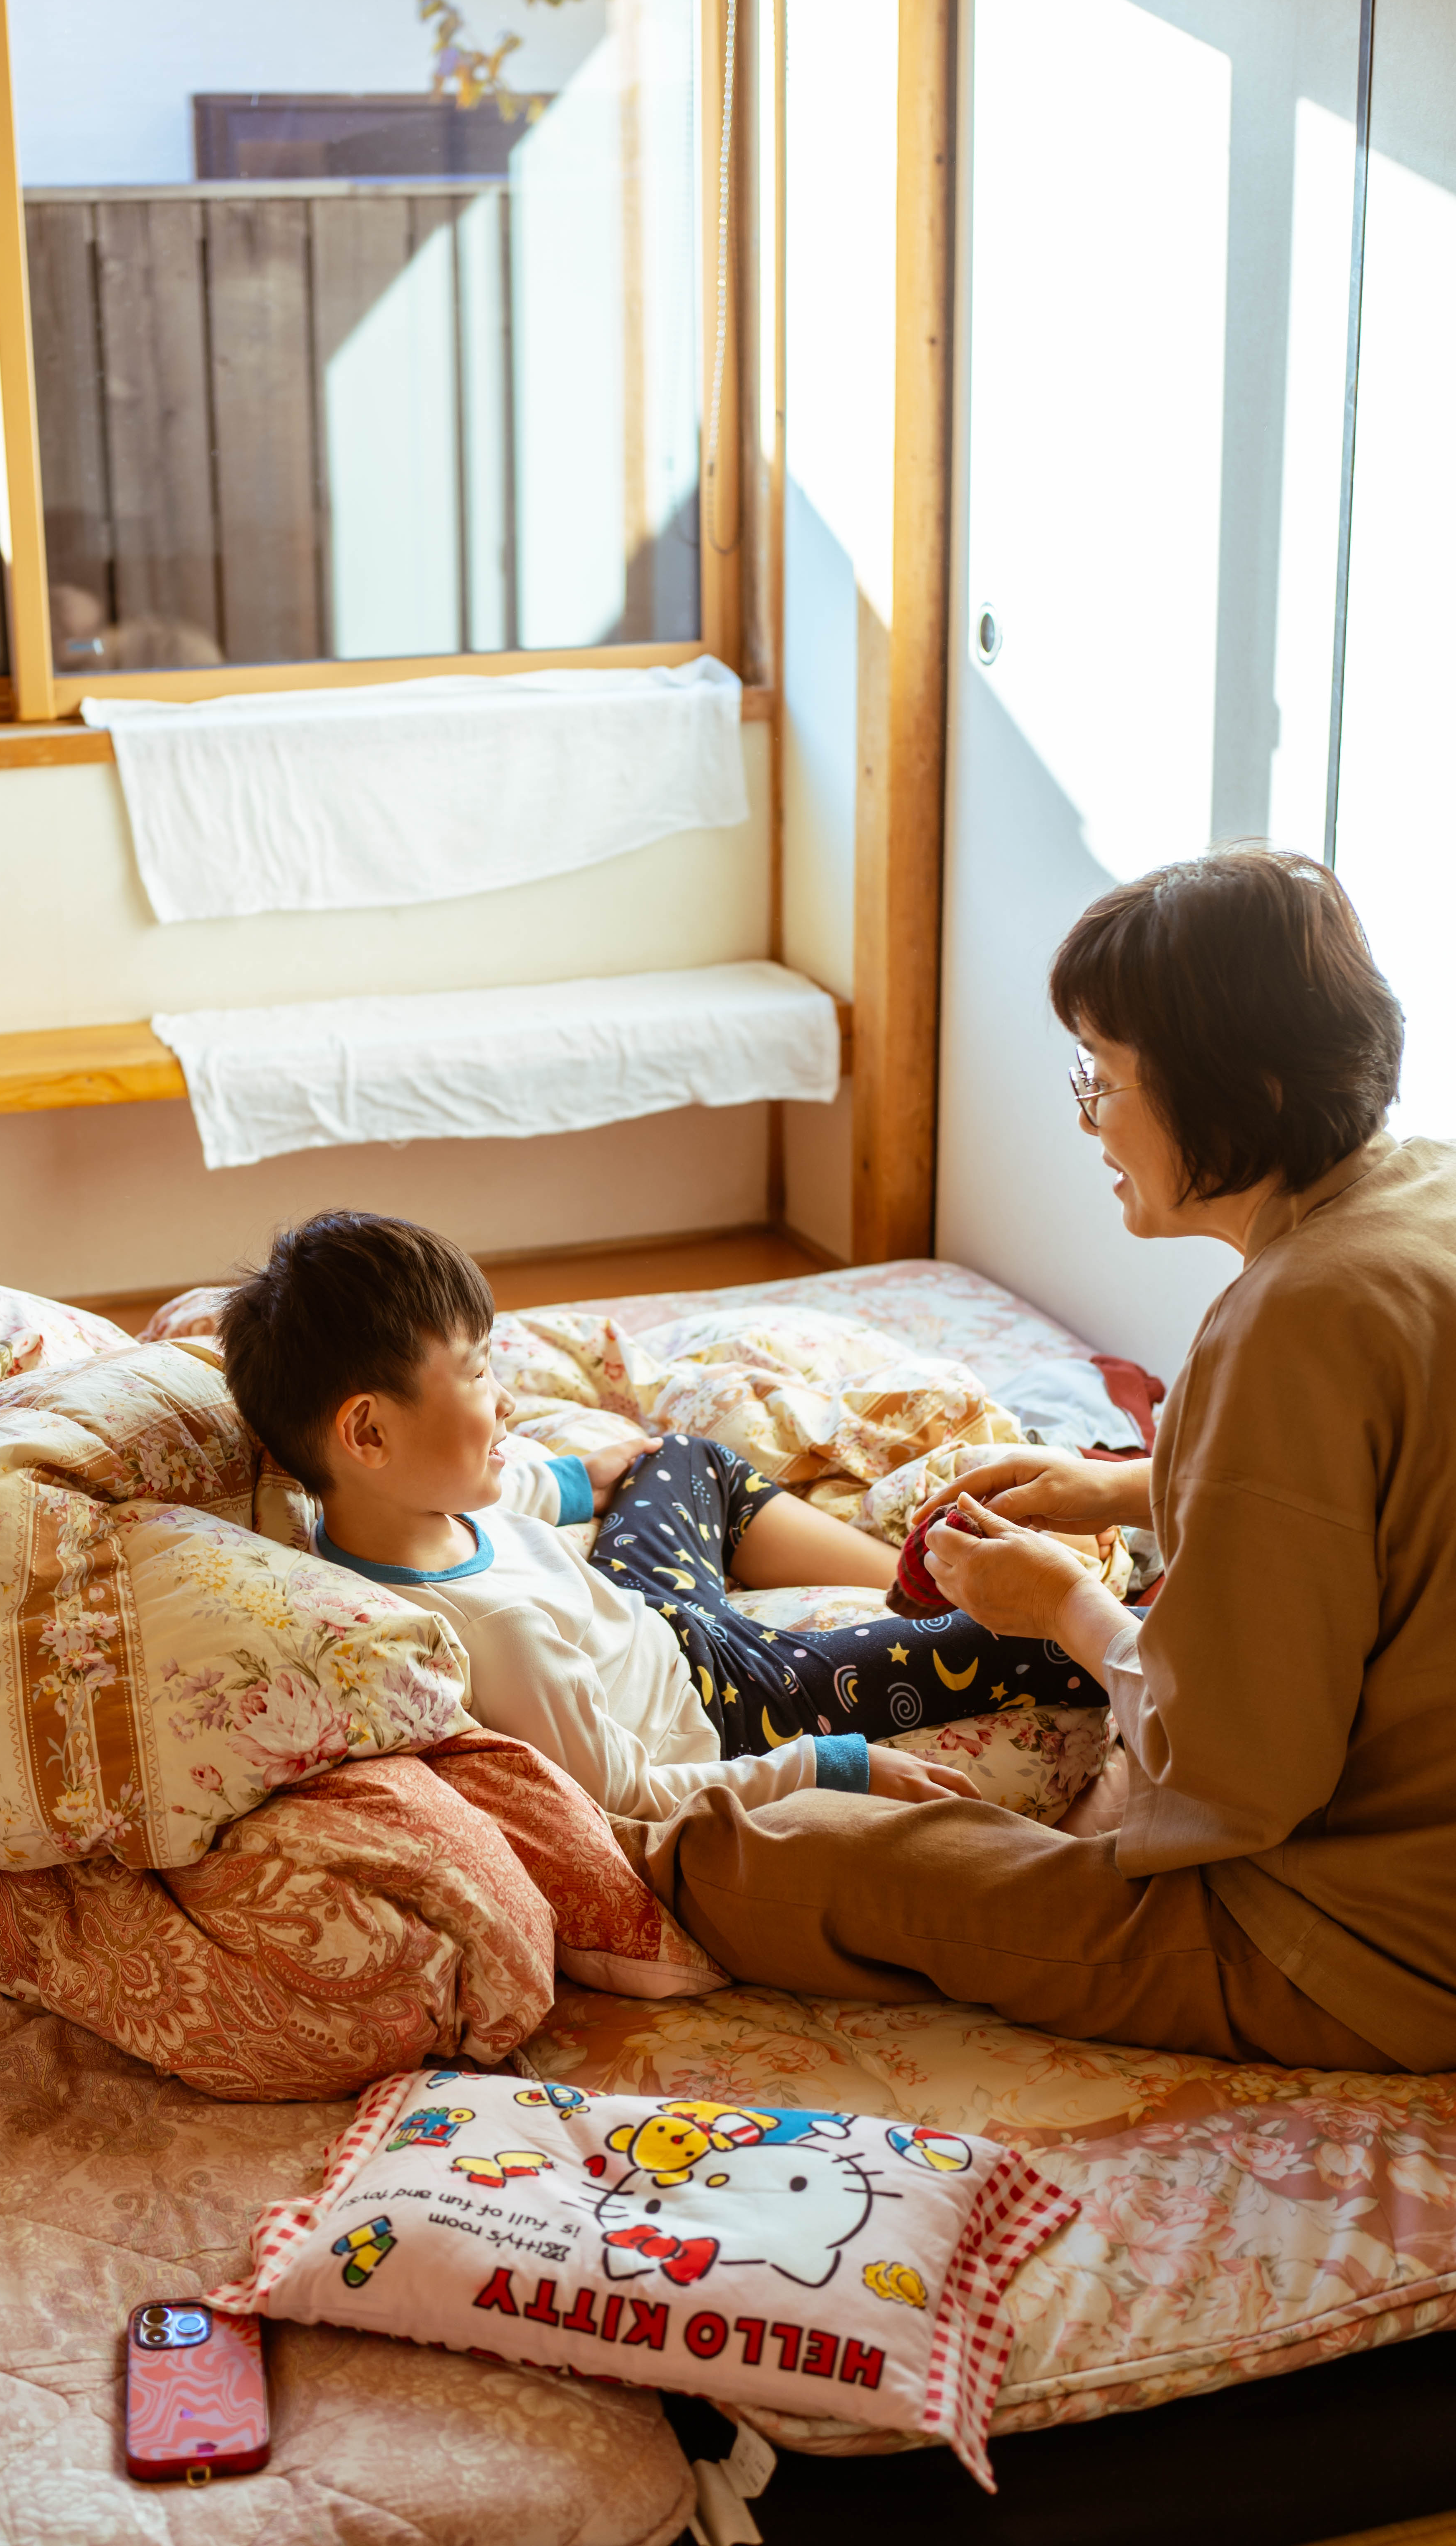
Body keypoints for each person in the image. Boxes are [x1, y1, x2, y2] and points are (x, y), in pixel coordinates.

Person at [623, 843, 1456, 2072]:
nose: (1085, 1116)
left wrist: (1061, 1606)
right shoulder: (1422, 1197)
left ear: (1242, 1091)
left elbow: (1230, 1774)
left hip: (1360, 1945)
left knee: (754, 1858)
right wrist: (1125, 1487)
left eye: (1104, 1077)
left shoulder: (1294, 1319)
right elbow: (1380, 1503)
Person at [217, 1213, 1094, 1824]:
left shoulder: (358, 1519)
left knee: (683, 1459)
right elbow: (626, 1797)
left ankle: (904, 1584)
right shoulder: (502, 1636)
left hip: (647, 1615)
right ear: (369, 1432)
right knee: (1043, 1641)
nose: (506, 1397)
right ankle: (984, 1610)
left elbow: (507, 1502)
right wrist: (833, 1766)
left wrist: (576, 1480)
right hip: (730, 1703)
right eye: (478, 1374)